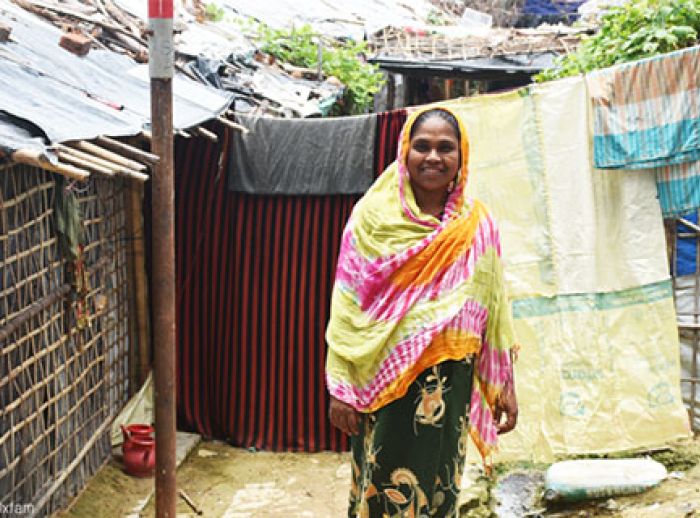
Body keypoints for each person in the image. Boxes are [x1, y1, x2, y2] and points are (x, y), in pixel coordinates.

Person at [325, 105, 518, 517]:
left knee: (438, 484)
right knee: (382, 485)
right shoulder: (372, 219)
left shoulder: (478, 225)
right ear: (405, 152)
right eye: (423, 146)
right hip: (382, 379)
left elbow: (495, 306)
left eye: (445, 148)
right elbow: (346, 308)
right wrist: (340, 386)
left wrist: (505, 384)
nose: (433, 157)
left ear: (461, 158)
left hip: (449, 380)